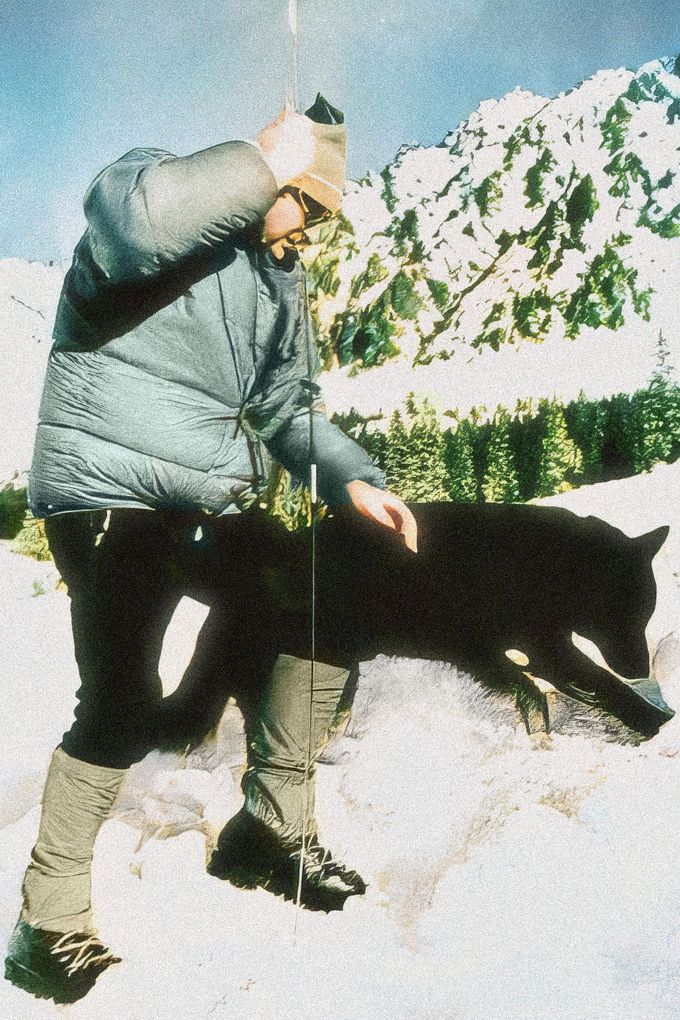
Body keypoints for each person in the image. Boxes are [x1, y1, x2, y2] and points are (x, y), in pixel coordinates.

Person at [4, 96, 417, 1004]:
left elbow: (287, 409)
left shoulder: (279, 283)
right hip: (108, 495)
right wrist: (261, 158)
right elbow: (131, 226)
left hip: (205, 504)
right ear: (272, 178)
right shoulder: (153, 199)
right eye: (304, 203)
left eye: (322, 216)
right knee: (119, 697)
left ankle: (269, 831)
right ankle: (48, 923)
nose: (309, 228)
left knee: (320, 603)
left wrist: (355, 478)